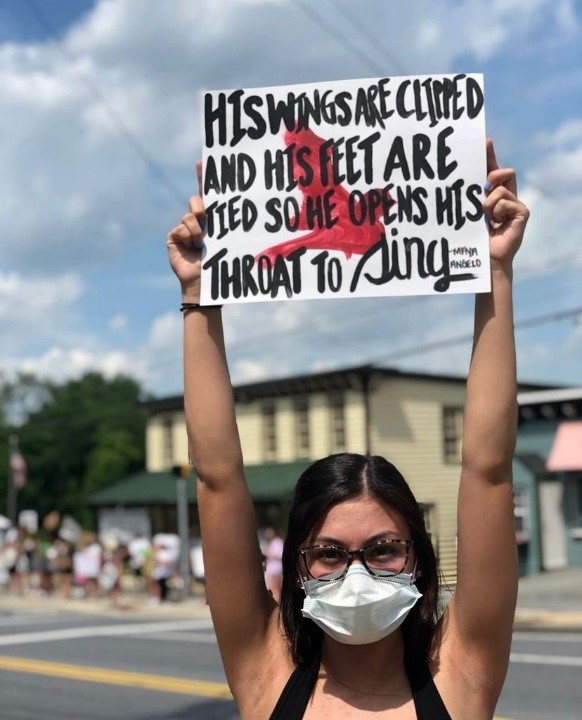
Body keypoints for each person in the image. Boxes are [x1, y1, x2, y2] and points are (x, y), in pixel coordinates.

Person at [167, 140, 529, 719]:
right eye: (329, 553)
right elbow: (217, 477)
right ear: (298, 564)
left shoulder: (461, 668)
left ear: (419, 555)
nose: (356, 572)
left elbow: (487, 469)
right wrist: (196, 295)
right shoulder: (265, 669)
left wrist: (494, 271)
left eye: (384, 549)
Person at [262, 527, 284, 604]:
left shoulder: (277, 542)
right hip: (271, 570)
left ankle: (277, 604)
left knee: (276, 588)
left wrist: (268, 553)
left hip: (276, 569)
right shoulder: (271, 543)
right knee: (273, 588)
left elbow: (281, 555)